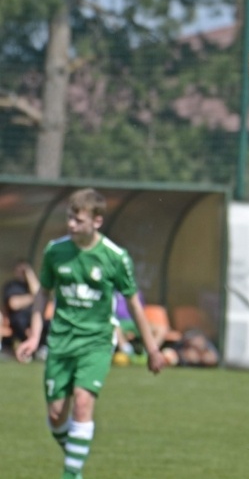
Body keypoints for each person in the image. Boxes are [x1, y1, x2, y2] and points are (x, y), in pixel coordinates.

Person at [15, 188, 165, 479]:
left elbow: (134, 304)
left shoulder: (115, 257)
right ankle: (76, 458)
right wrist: (34, 337)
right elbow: (43, 294)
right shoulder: (55, 251)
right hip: (61, 341)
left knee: (83, 403)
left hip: (96, 341)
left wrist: (152, 349)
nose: (71, 225)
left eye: (78, 220)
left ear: (97, 221)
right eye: (69, 218)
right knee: (56, 416)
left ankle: (70, 474)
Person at [2, 259, 47, 354]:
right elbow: (13, 304)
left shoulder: (30, 286)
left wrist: (29, 274)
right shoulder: (12, 285)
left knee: (46, 323)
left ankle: (40, 348)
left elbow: (39, 294)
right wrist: (33, 298)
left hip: (32, 319)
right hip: (17, 320)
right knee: (20, 321)